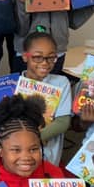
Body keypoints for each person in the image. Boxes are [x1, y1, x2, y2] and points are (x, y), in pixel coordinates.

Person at [18, 32, 72, 166]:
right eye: (37, 57)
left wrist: (32, 141)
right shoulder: (13, 83)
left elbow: (63, 122)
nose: (45, 63)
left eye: (51, 57)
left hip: (48, 156)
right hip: (17, 155)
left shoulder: (61, 82)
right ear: (25, 56)